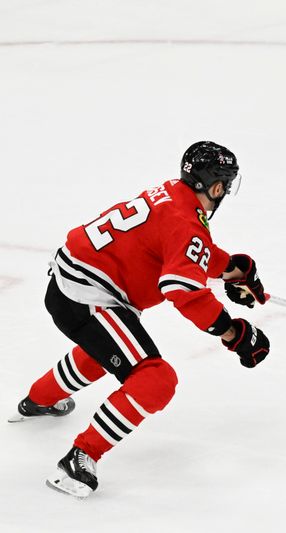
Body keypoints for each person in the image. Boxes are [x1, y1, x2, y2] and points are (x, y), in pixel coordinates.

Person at [8, 141, 271, 498]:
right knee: (156, 379)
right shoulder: (187, 223)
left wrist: (231, 269)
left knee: (107, 350)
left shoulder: (172, 195)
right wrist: (233, 332)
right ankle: (79, 458)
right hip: (88, 297)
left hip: (72, 282)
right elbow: (182, 289)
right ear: (216, 186)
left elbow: (183, 247)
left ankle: (39, 399)